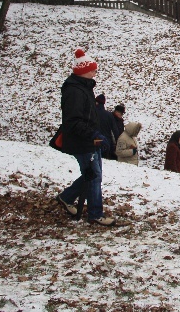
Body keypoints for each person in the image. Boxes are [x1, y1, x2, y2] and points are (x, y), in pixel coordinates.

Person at [55, 48, 116, 226]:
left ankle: (66, 197)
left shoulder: (84, 88)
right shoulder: (75, 91)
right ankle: (95, 214)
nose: (96, 72)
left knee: (92, 175)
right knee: (94, 175)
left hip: (90, 140)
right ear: (83, 71)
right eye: (93, 69)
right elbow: (73, 121)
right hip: (82, 141)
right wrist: (94, 134)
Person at [95, 93, 119, 159]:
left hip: (95, 140)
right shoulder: (109, 115)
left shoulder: (92, 113)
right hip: (107, 141)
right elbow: (115, 130)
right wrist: (118, 143)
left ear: (97, 102)